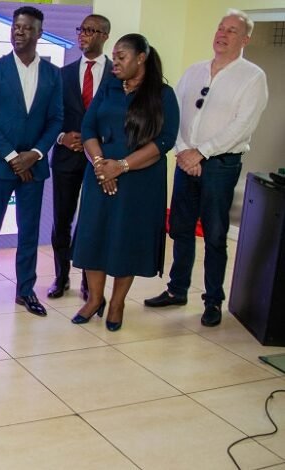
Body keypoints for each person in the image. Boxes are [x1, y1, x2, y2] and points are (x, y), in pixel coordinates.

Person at [144, 9, 268, 327]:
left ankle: (213, 300)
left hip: (221, 164)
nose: (222, 34)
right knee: (181, 228)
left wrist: (203, 153)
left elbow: (243, 125)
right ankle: (177, 290)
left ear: (244, 39)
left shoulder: (252, 77)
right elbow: (177, 113)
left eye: (231, 30)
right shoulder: (195, 71)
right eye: (220, 28)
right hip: (187, 159)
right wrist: (186, 151)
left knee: (214, 233)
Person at [71, 33, 179, 331]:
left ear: (141, 58)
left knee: (125, 240)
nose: (114, 61)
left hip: (139, 180)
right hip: (100, 173)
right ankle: (95, 299)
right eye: (114, 56)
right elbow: (88, 127)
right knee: (94, 236)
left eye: (122, 56)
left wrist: (122, 166)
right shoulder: (107, 89)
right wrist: (100, 166)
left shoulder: (162, 95)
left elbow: (165, 140)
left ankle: (116, 303)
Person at [0, 6, 62, 316]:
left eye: (26, 28)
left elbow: (56, 119)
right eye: (16, 27)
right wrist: (14, 156)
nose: (19, 32)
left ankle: (26, 290)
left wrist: (35, 154)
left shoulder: (52, 73)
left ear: (39, 34)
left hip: (35, 166)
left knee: (28, 230)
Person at [48, 14, 112, 300]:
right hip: (66, 158)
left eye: (90, 30)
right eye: (80, 29)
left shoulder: (117, 75)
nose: (83, 35)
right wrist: (62, 137)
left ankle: (90, 281)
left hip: (102, 162)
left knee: (92, 222)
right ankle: (61, 278)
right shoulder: (63, 74)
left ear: (104, 36)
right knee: (62, 220)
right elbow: (50, 117)